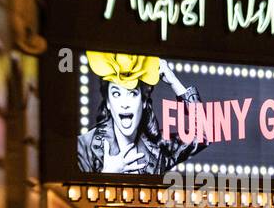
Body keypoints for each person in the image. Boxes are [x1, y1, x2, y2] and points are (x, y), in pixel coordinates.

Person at [76, 53, 207, 175]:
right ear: (108, 103)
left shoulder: (159, 148)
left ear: (143, 101)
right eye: (116, 94)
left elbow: (205, 134)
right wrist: (107, 174)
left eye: (132, 93)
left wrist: (174, 82)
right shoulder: (84, 146)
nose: (125, 103)